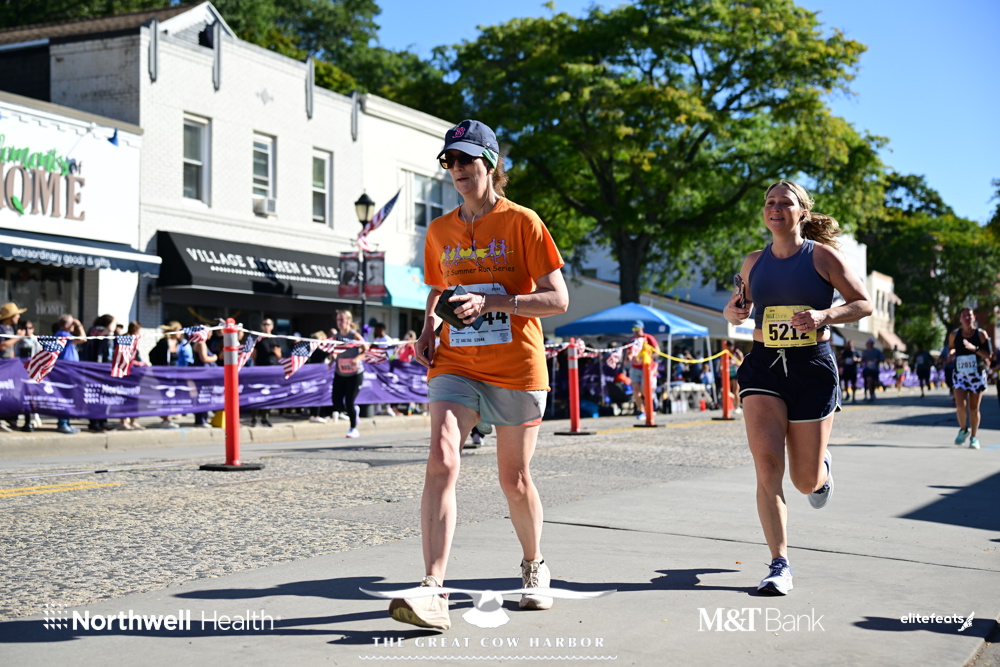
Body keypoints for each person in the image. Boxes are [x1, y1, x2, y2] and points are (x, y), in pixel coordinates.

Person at [388, 119, 568, 630]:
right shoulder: (440, 231)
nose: (457, 169)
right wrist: (427, 328)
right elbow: (437, 287)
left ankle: (534, 565)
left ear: (490, 164)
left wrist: (493, 302)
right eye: (450, 161)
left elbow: (558, 299)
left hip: (515, 366)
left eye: (466, 159)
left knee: (514, 479)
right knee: (442, 460)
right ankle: (432, 589)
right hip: (456, 363)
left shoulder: (523, 222)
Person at [724, 180, 872, 596]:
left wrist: (824, 315)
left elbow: (863, 303)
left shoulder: (822, 256)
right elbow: (737, 306)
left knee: (804, 481)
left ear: (802, 213)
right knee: (767, 465)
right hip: (763, 367)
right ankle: (779, 564)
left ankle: (821, 471)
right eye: (769, 202)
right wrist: (734, 311)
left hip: (811, 368)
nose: (775, 208)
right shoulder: (753, 262)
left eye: (785, 203)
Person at [948, 307, 992, 450]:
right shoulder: (954, 334)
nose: (967, 318)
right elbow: (951, 347)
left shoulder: (981, 334)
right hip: (960, 374)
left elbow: (989, 355)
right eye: (964, 316)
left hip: (976, 374)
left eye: (969, 316)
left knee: (974, 408)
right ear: (960, 319)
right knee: (960, 405)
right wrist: (951, 353)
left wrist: (974, 348)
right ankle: (963, 429)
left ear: (974, 318)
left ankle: (974, 437)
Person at [330, 310, 366, 437]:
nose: (340, 322)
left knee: (349, 401)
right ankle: (354, 411)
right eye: (338, 319)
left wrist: (357, 358)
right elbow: (334, 351)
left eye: (342, 319)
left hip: (355, 374)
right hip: (340, 373)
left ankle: (353, 428)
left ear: (349, 321)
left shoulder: (354, 335)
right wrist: (332, 359)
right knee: (336, 402)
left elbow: (366, 350)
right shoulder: (336, 337)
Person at [81, 314, 117, 432]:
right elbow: (108, 331)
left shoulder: (103, 332)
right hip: (97, 367)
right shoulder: (98, 331)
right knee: (97, 395)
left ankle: (101, 421)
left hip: (102, 367)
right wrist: (112, 323)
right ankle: (95, 422)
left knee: (103, 396)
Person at [52, 314, 87, 434]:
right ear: (67, 325)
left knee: (69, 397)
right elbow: (83, 339)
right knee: (65, 397)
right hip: (65, 371)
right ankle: (62, 423)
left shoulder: (65, 335)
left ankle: (66, 422)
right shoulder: (62, 334)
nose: (74, 326)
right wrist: (79, 325)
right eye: (72, 324)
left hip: (69, 370)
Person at [0, 302, 28, 431]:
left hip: (8, 366)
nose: (18, 317)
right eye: (16, 314)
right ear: (10, 316)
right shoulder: (1, 328)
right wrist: (18, 337)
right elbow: (3, 346)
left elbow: (10, 349)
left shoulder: (11, 328)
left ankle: (10, 418)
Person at [251, 318, 282, 427]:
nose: (266, 326)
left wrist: (276, 352)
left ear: (272, 326)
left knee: (269, 394)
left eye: (268, 324)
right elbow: (253, 355)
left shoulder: (275, 339)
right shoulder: (259, 339)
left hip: (273, 369)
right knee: (258, 394)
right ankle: (254, 418)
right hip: (261, 369)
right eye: (264, 324)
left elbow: (279, 356)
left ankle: (265, 417)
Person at [119, 321, 148, 430]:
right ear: (136, 330)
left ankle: (133, 420)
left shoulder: (134, 340)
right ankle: (123, 421)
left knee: (134, 397)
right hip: (126, 373)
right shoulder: (126, 339)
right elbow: (123, 357)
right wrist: (138, 363)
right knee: (125, 396)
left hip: (134, 373)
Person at [14, 320, 42, 431]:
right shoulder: (18, 340)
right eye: (25, 328)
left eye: (29, 328)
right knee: (22, 394)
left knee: (32, 395)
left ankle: (34, 417)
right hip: (20, 370)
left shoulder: (36, 340)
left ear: (33, 329)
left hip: (32, 371)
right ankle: (23, 417)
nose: (27, 331)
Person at [628, 321, 660, 418]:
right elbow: (629, 353)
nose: (635, 331)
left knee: (645, 390)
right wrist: (628, 358)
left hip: (647, 367)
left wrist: (648, 358)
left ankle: (650, 409)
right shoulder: (632, 340)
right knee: (635, 390)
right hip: (635, 368)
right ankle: (641, 411)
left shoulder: (648, 338)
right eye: (634, 329)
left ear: (642, 328)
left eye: (637, 329)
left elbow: (657, 351)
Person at [725, 340, 744, 414]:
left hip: (737, 374)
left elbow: (742, 364)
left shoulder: (738, 353)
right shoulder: (727, 353)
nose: (729, 349)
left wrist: (735, 363)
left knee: (736, 391)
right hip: (729, 374)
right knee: (729, 391)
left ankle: (738, 406)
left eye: (730, 347)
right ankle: (734, 405)